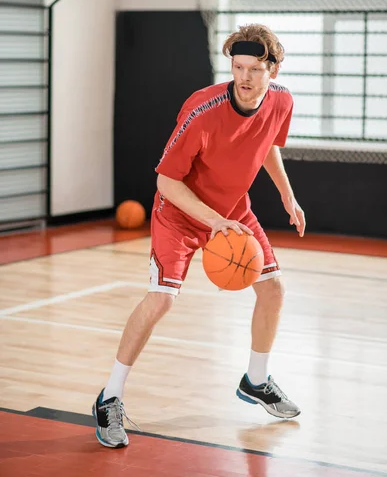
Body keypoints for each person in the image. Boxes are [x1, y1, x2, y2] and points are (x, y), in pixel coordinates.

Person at [92, 23, 306, 448]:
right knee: (161, 299)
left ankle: (256, 380)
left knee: (274, 290)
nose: (244, 78)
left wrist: (287, 194)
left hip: (230, 212)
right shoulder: (202, 110)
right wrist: (213, 222)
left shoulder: (281, 101)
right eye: (237, 67)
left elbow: (266, 145)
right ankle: (109, 395)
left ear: (274, 71)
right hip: (180, 211)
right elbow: (166, 183)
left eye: (254, 69)